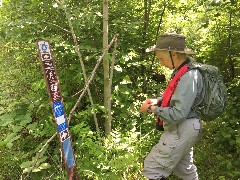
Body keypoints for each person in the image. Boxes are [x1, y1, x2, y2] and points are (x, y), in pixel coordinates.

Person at [140, 33, 203, 180]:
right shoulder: (182, 71)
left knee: (152, 168)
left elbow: (178, 113)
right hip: (187, 126)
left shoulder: (189, 75)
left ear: (173, 54)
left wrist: (151, 109)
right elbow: (179, 97)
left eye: (162, 59)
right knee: (185, 169)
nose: (161, 63)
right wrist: (159, 101)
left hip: (182, 127)